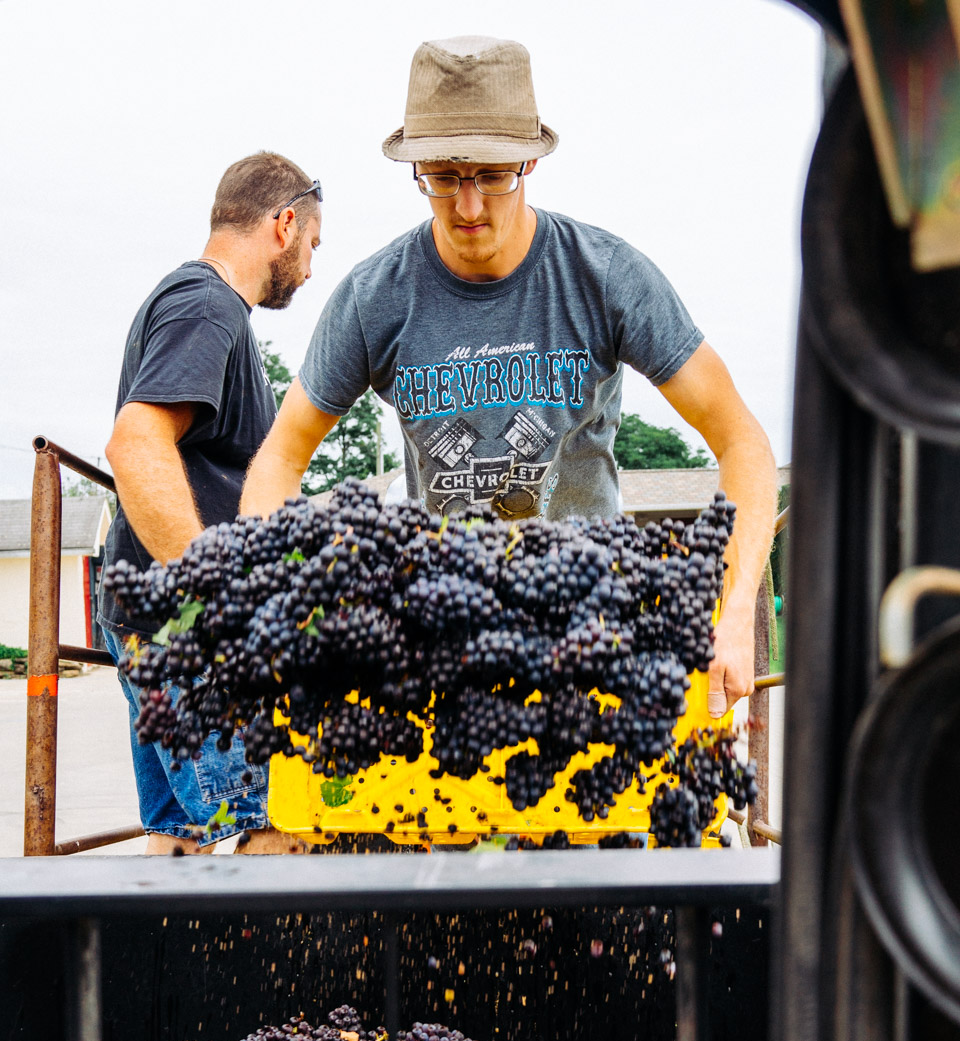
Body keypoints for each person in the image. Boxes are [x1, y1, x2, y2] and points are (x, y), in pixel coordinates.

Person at [240, 36, 778, 719]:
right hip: (449, 644)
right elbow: (280, 458)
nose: (467, 206)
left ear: (529, 162)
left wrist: (732, 613)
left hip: (591, 634)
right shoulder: (376, 297)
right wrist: (272, 600)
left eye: (492, 175)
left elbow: (741, 442)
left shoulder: (606, 276)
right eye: (441, 175)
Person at [98, 151, 323, 855]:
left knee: (180, 831)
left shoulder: (200, 306)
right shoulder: (207, 305)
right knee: (276, 819)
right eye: (313, 245)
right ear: (284, 225)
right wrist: (214, 603)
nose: (311, 268)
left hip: (145, 618)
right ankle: (271, 969)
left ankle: (158, 966)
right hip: (182, 630)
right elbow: (134, 446)